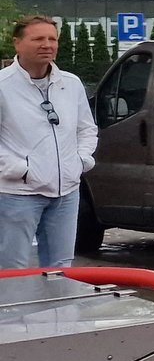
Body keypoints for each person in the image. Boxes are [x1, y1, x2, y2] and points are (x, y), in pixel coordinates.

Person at [0, 16, 98, 269]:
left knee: (60, 267)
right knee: (13, 268)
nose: (47, 45)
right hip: (17, 193)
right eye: (38, 39)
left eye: (52, 39)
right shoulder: (3, 86)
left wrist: (81, 162)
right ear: (18, 44)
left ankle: (59, 310)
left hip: (66, 192)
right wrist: (19, 170)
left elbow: (86, 129)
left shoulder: (71, 83)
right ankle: (15, 310)